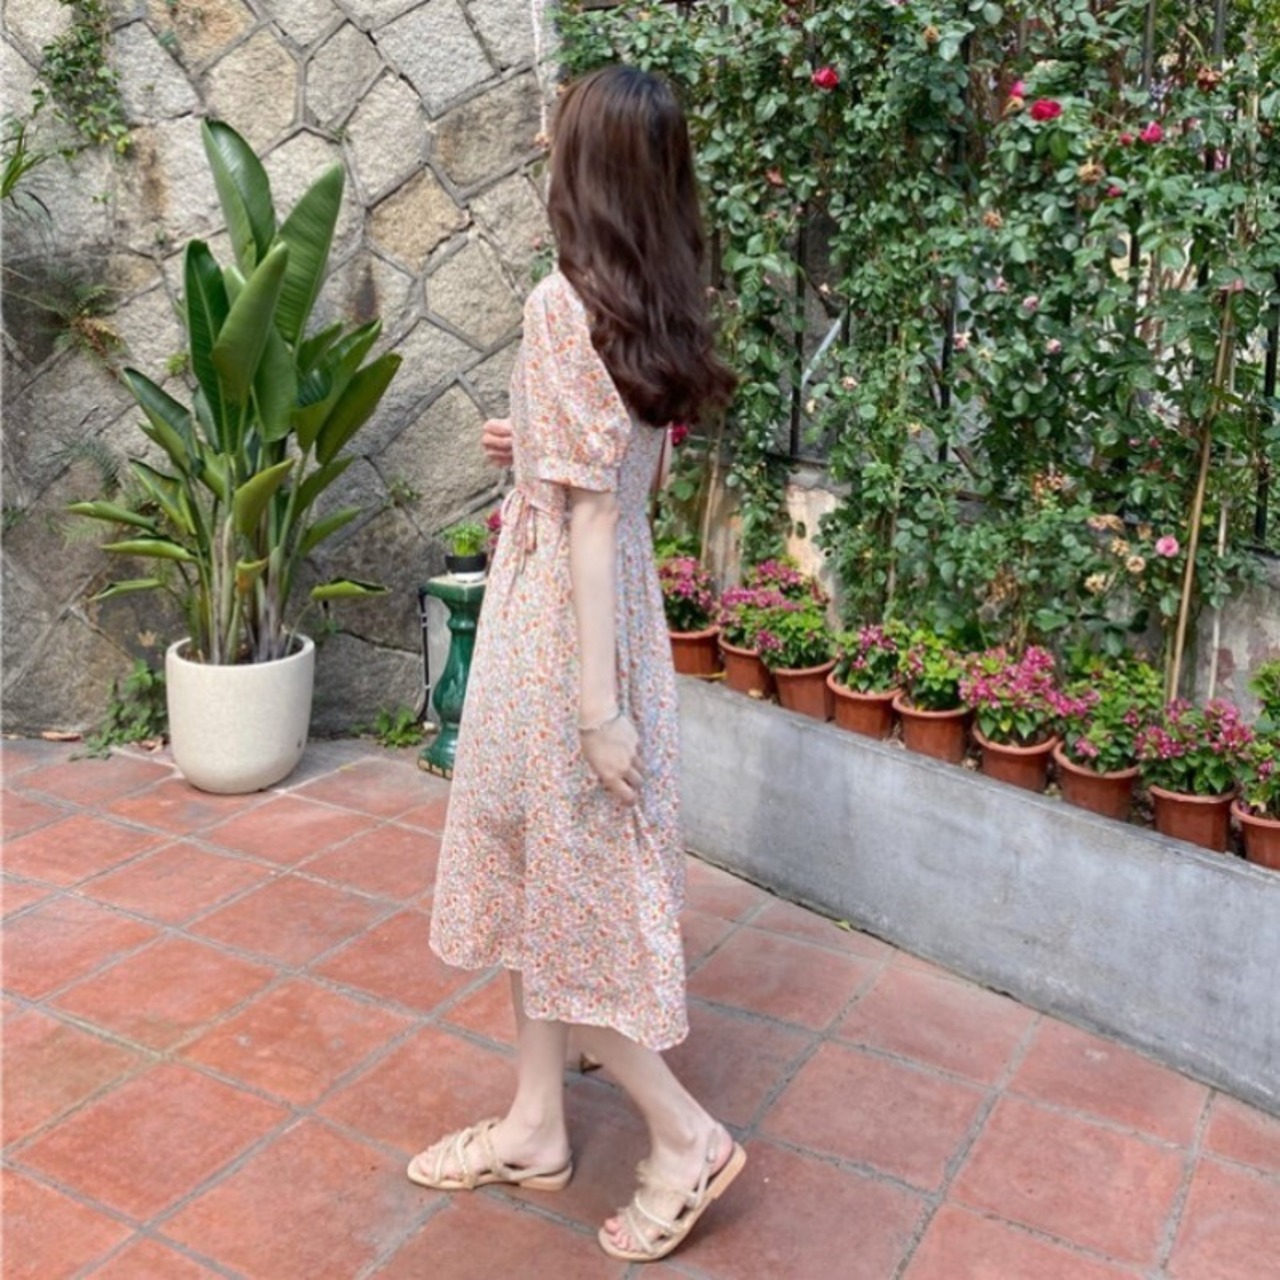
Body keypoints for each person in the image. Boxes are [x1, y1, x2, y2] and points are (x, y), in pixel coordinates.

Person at [410, 65, 743, 1263]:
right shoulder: (656, 299)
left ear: (583, 169)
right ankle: (534, 1123)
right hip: (613, 616)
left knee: (572, 897)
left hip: (561, 629)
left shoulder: (563, 302)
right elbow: (627, 468)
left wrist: (598, 712)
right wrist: (534, 441)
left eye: (557, 137)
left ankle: (683, 1136)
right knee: (535, 874)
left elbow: (592, 514)